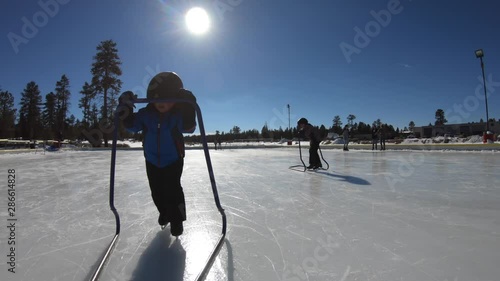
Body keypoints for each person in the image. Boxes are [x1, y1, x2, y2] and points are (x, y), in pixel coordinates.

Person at [119, 71, 196, 237]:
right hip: (152, 159)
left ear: (175, 100)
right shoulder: (146, 115)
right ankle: (164, 212)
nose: (162, 103)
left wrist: (189, 104)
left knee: (173, 189)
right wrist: (124, 106)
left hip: (173, 159)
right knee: (156, 191)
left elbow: (189, 127)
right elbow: (131, 125)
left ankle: (177, 220)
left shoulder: (176, 116)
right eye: (158, 98)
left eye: (168, 99)